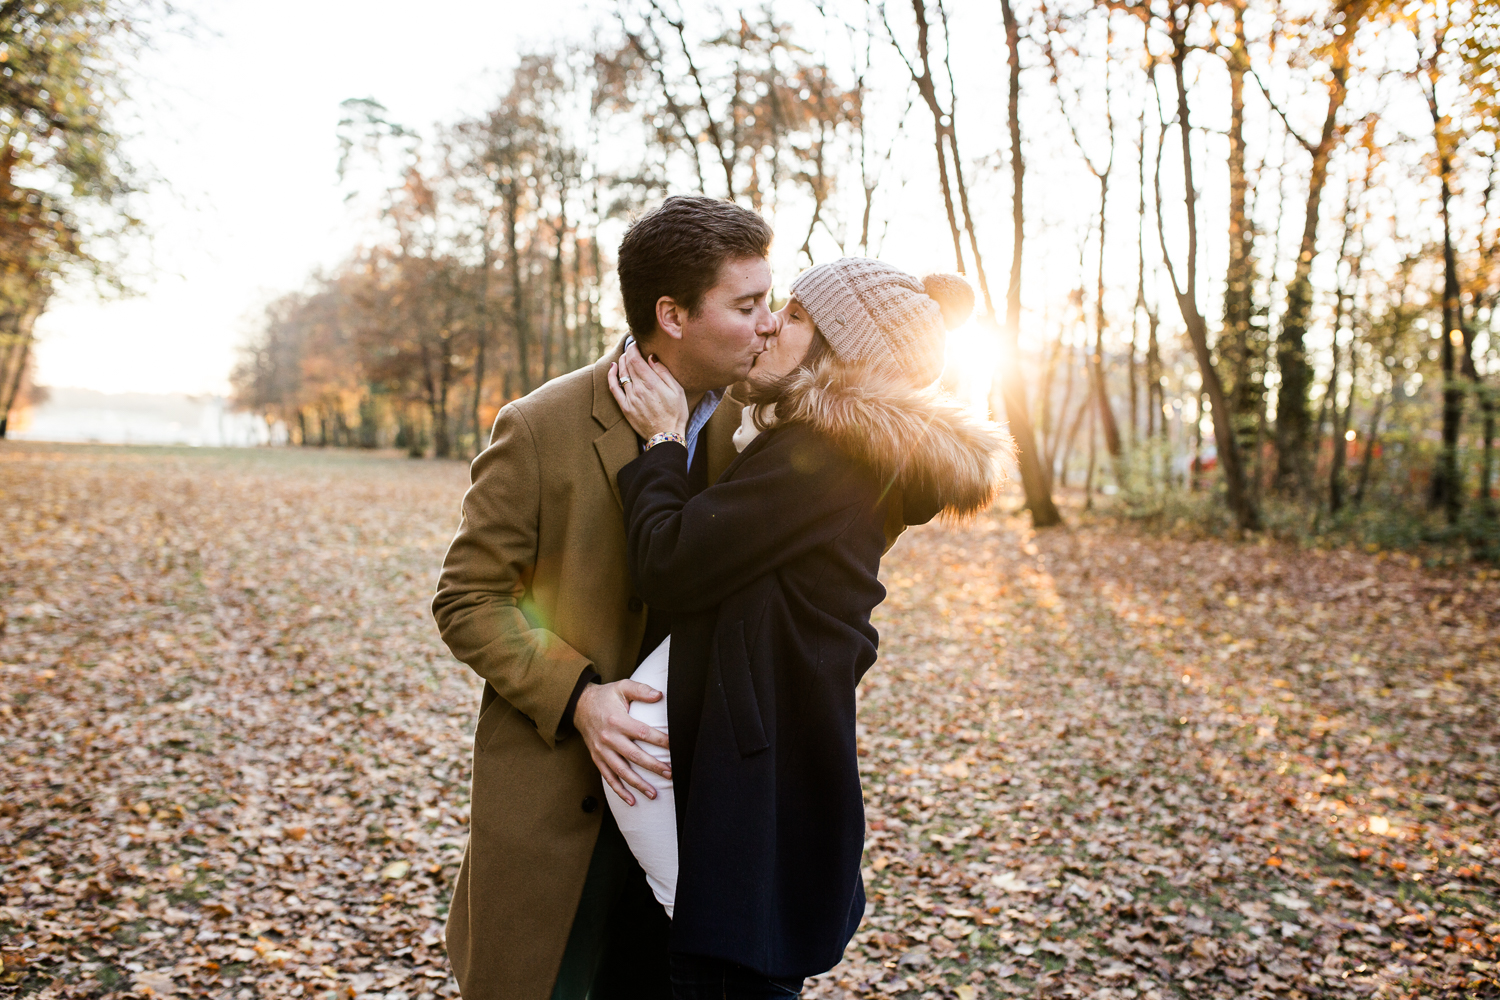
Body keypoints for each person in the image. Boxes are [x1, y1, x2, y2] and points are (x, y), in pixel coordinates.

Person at [604, 258, 1011, 997]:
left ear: (838, 354)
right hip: (773, 758)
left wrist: (664, 443)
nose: (769, 327)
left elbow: (670, 561)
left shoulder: (825, 456)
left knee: (730, 973)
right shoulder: (827, 447)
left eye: (794, 317)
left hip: (761, 781)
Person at [431, 195, 776, 1000]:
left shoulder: (759, 429)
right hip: (563, 804)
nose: (768, 323)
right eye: (747, 303)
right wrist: (580, 697)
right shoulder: (541, 425)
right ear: (674, 314)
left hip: (701, 804)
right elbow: (468, 598)